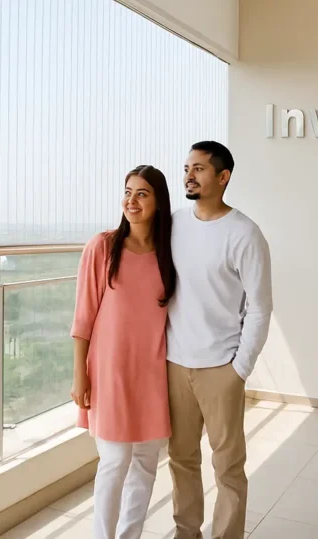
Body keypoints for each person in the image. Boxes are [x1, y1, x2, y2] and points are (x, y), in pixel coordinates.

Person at [166, 141, 273, 539]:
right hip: (175, 363)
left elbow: (260, 308)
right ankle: (186, 532)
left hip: (220, 368)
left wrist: (239, 369)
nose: (189, 176)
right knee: (181, 458)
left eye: (199, 169)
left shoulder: (244, 234)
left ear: (223, 176)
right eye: (186, 168)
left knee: (227, 466)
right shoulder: (175, 224)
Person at [70, 165, 178, 539]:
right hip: (109, 371)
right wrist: (80, 374)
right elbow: (83, 317)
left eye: (142, 193)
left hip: (153, 371)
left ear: (159, 202)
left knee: (146, 461)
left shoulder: (169, 254)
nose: (131, 201)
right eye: (128, 192)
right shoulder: (102, 247)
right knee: (115, 460)